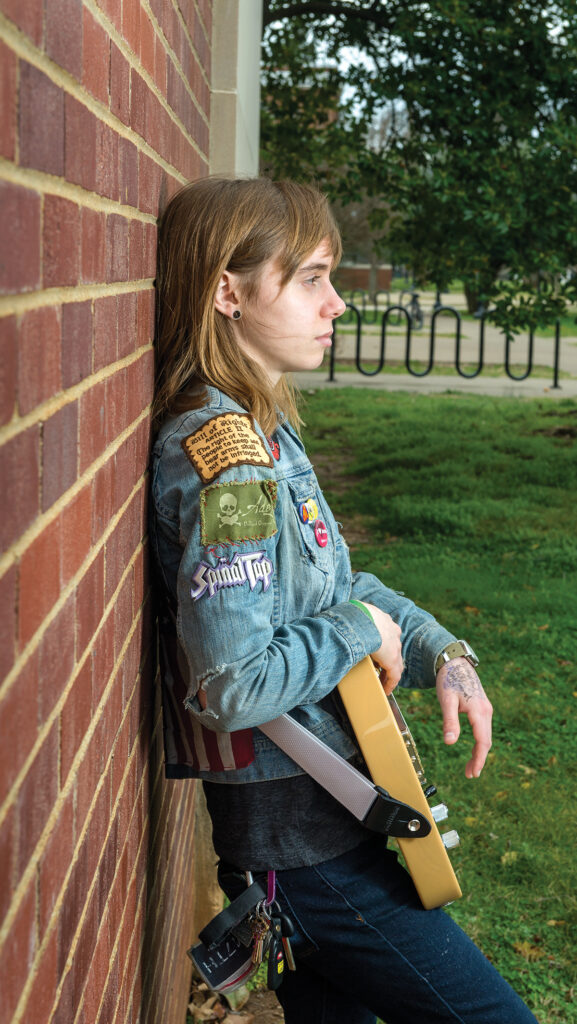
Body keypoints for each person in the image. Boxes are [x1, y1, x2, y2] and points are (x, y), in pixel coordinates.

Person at [149, 177, 539, 1024]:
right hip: (309, 856)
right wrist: (356, 629)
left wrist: (443, 653)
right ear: (226, 289)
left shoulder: (264, 431)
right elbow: (233, 685)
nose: (335, 305)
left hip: (322, 836)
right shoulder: (231, 463)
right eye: (311, 278)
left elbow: (338, 583)